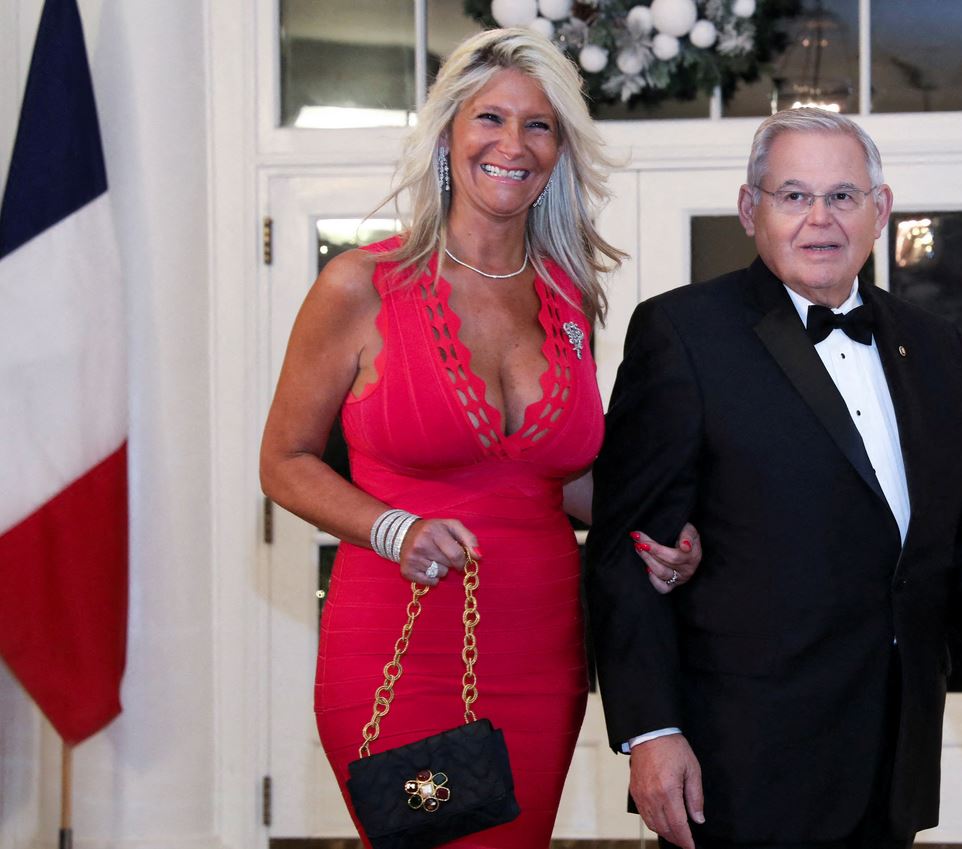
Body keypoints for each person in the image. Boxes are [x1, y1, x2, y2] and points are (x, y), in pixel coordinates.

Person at [585, 108, 962, 849]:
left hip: (894, 757)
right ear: (750, 209)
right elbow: (630, 554)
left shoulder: (935, 347)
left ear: (880, 210)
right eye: (793, 195)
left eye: (843, 196)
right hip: (740, 760)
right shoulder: (682, 334)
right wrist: (651, 729)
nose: (819, 218)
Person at [259, 28, 702, 849]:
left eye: (538, 125)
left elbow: (557, 475)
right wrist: (393, 527)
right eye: (490, 118)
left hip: (541, 653)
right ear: (447, 135)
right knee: (434, 834)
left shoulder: (568, 296)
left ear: (559, 151)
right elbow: (283, 461)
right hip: (398, 647)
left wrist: (654, 531)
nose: (512, 144)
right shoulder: (361, 285)